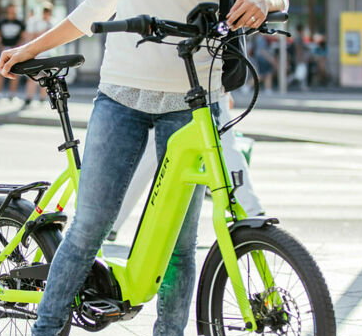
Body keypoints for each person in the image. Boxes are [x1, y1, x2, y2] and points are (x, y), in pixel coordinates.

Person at [0, 0, 288, 336]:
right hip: (122, 93)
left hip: (194, 101)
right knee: (90, 224)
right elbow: (99, 2)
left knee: (180, 245)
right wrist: (31, 46)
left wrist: (262, 1)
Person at [108, 93, 265, 242]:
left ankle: (114, 221)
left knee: (217, 143)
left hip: (190, 87)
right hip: (200, 86)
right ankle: (251, 209)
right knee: (222, 143)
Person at [0, 2, 26, 101]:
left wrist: (17, 48)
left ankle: (12, 94)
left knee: (15, 72)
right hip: (3, 50)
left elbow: (23, 37)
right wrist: (1, 47)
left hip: (15, 50)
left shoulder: (20, 22)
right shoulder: (1, 21)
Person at [23, 3, 56, 105]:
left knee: (46, 77)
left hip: (48, 53)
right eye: (44, 11)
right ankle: (29, 97)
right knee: (32, 77)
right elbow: (30, 37)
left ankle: (42, 97)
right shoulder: (35, 22)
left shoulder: (53, 22)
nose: (46, 14)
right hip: (36, 54)